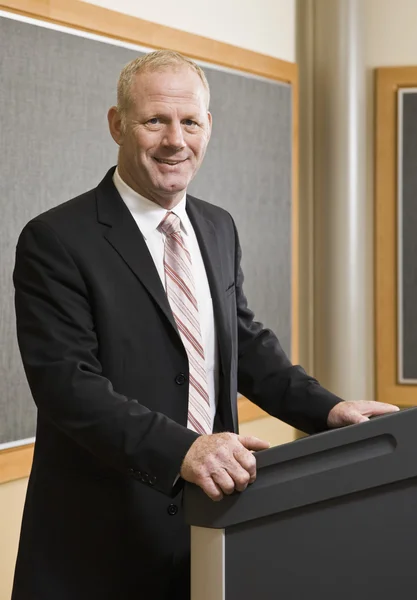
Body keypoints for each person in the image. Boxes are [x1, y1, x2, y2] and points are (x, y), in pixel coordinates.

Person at [11, 50, 398, 600]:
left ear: (207, 127)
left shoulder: (217, 226)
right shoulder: (56, 239)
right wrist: (183, 451)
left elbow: (241, 342)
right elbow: (67, 386)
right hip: (101, 543)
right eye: (155, 121)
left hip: (218, 524)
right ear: (118, 124)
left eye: (189, 121)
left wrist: (328, 410)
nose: (175, 140)